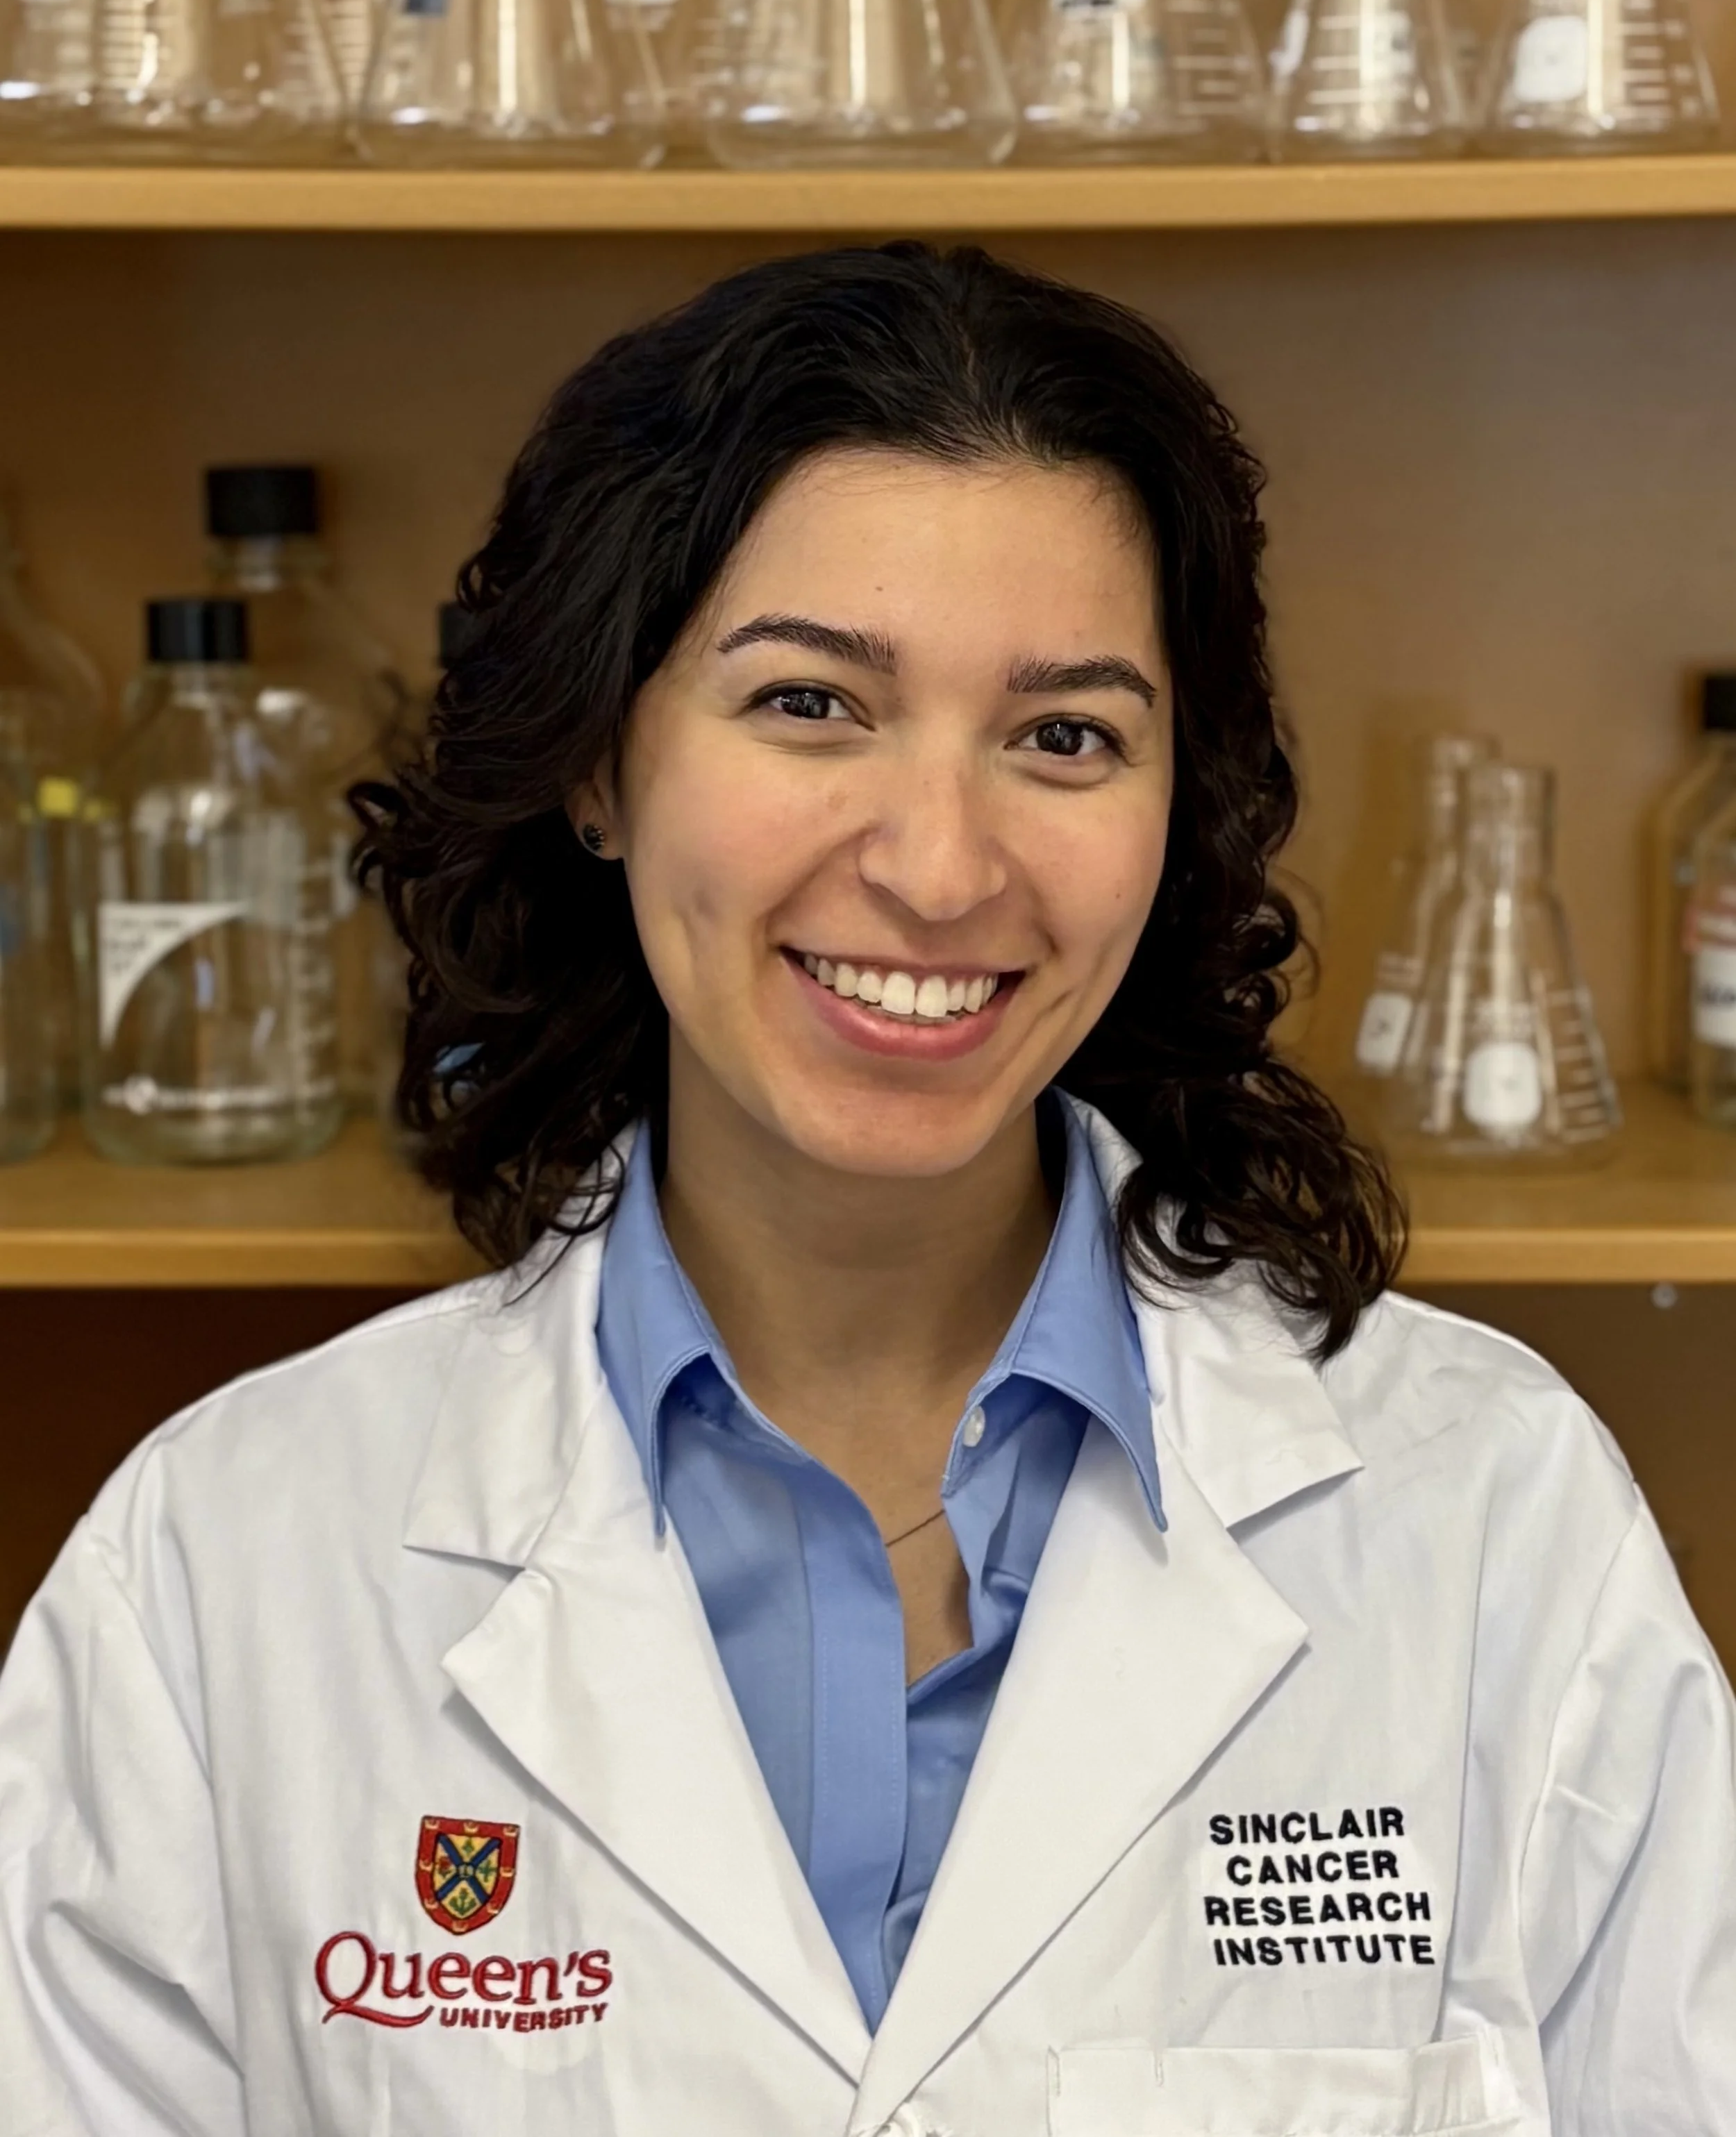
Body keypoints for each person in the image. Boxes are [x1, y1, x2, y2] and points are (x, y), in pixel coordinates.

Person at [0, 244, 1730, 2137]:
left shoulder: (1494, 1524)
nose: (938, 867)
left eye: (1065, 735)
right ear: (599, 764)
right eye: (812, 703)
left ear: (1177, 812)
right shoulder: (219, 1573)